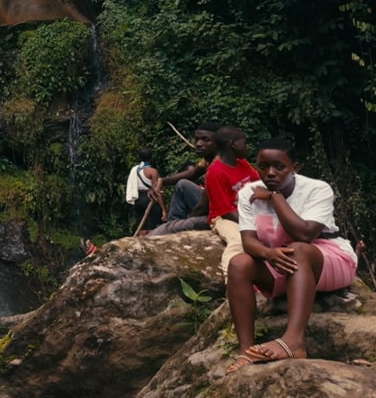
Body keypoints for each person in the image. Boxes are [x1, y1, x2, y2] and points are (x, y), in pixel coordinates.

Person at [224, 139, 357, 374]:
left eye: (279, 167)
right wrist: (268, 253)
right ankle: (246, 350)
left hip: (328, 257)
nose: (270, 173)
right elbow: (249, 242)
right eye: (263, 166)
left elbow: (305, 234)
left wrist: (275, 198)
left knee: (298, 248)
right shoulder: (248, 193)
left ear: (295, 167)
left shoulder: (317, 189)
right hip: (283, 261)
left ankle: (294, 341)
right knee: (238, 263)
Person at [205, 126, 260, 274]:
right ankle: (230, 280)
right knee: (239, 241)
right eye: (244, 142)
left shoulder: (242, 164)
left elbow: (258, 185)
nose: (247, 146)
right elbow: (226, 211)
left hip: (247, 212)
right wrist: (251, 223)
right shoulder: (215, 172)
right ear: (232, 144)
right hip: (224, 217)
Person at [147, 122, 218, 236]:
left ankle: (171, 230)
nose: (198, 144)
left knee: (163, 232)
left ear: (219, 143)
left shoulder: (218, 167)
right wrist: (161, 182)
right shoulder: (210, 160)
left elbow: (202, 207)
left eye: (205, 140)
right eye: (197, 139)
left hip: (218, 216)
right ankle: (173, 225)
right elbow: (192, 173)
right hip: (212, 210)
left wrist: (184, 224)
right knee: (183, 184)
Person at [125, 148, 163, 233]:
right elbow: (156, 192)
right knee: (152, 229)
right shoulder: (152, 171)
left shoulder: (135, 170)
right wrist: (163, 209)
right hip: (149, 199)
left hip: (138, 200)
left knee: (141, 229)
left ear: (139, 158)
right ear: (151, 158)